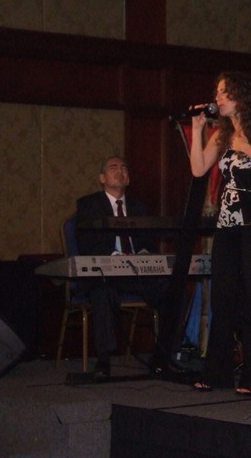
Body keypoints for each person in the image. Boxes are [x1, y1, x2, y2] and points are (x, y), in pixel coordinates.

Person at [188, 71, 251, 396]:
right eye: (217, 92)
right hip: (228, 224)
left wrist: (246, 148)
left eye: (223, 92)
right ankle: (217, 373)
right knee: (223, 296)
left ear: (241, 96)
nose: (217, 98)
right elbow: (198, 169)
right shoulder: (222, 133)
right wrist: (198, 131)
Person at [75, 156, 168, 378]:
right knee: (102, 292)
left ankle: (164, 355)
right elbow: (87, 244)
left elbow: (149, 242)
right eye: (113, 167)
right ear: (102, 178)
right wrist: (116, 258)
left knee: (170, 287)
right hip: (105, 274)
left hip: (136, 273)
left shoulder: (138, 207)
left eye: (124, 168)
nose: (120, 171)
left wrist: (143, 254)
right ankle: (103, 361)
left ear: (129, 178)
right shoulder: (88, 205)